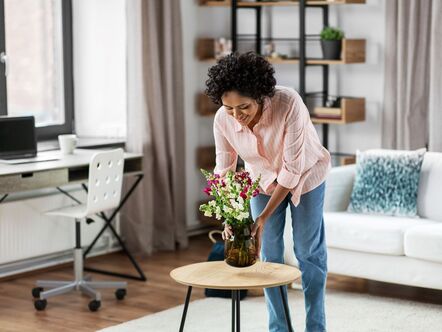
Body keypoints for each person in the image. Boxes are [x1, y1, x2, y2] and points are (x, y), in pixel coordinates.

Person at [205, 51, 331, 332]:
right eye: (229, 109)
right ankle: (279, 328)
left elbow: (291, 170)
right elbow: (224, 170)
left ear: (261, 95)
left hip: (306, 176)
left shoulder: (288, 103)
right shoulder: (222, 120)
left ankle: (316, 326)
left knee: (308, 251)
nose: (237, 117)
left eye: (244, 108)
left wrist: (261, 218)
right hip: (261, 180)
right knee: (268, 253)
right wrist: (229, 215)